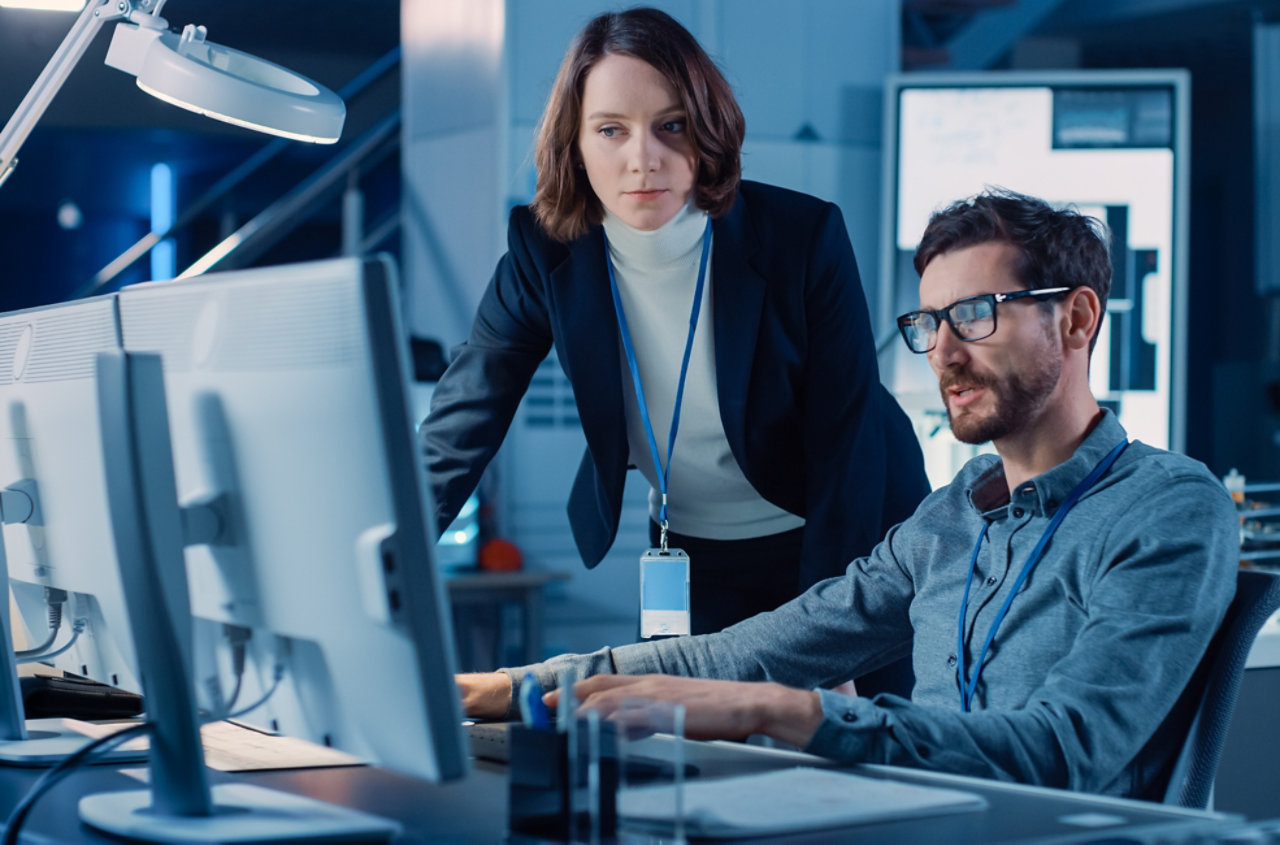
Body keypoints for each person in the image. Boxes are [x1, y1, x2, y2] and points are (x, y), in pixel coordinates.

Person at [457, 188, 1240, 799]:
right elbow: (745, 651)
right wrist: (509, 686)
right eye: (930, 322)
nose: (945, 354)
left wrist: (777, 710)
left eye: (974, 315)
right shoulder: (951, 516)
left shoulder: (1169, 508)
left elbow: (1062, 750)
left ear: (1075, 320)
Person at [421, 8, 929, 636]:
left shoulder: (802, 238)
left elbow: (848, 448)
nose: (645, 159)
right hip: (692, 544)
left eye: (672, 126)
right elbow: (463, 418)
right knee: (673, 726)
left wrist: (833, 634)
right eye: (611, 130)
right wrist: (388, 558)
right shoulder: (544, 250)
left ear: (708, 132)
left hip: (850, 536)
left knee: (852, 729)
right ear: (574, 145)